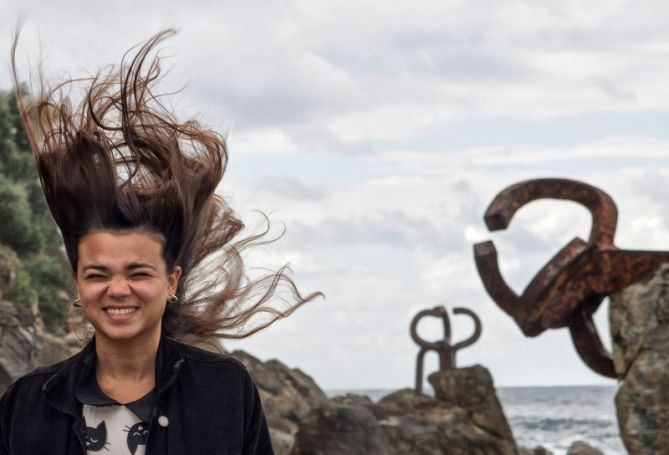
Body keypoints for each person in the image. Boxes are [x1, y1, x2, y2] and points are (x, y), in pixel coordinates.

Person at [0, 30, 319, 454]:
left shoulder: (225, 392)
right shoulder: (26, 404)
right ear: (77, 283)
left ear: (171, 282)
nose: (117, 289)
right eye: (98, 274)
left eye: (138, 272)